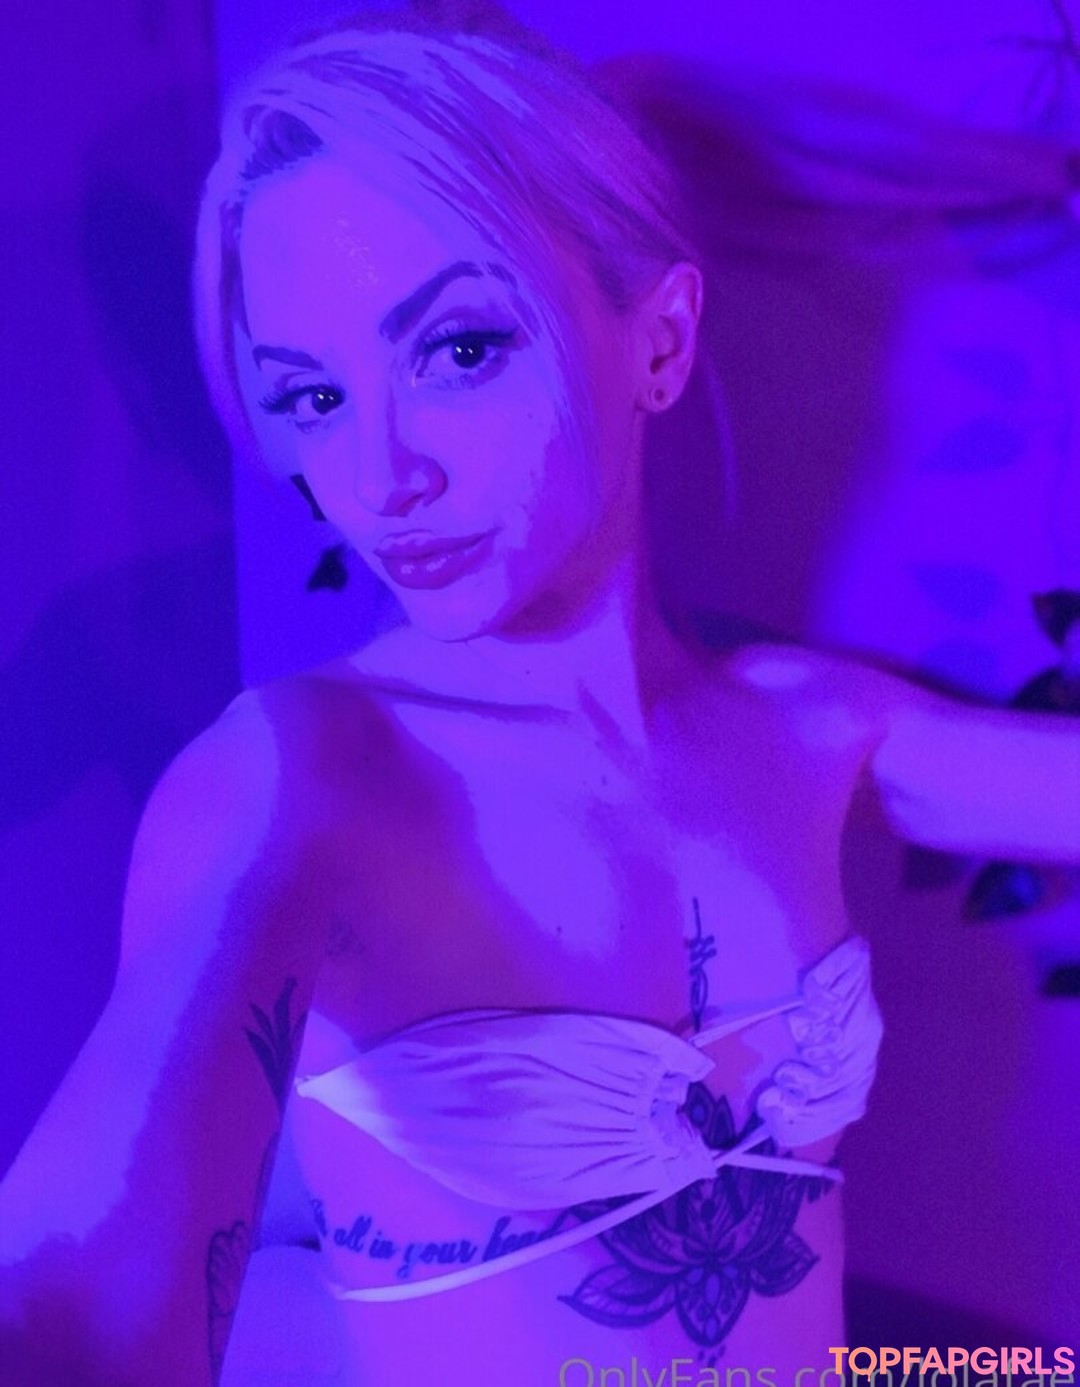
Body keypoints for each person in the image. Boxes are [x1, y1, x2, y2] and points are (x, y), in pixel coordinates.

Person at [2, 9, 1077, 1386]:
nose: (381, 480)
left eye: (456, 351)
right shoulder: (302, 774)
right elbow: (87, 1282)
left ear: (659, 344)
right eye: (313, 398)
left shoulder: (804, 729)